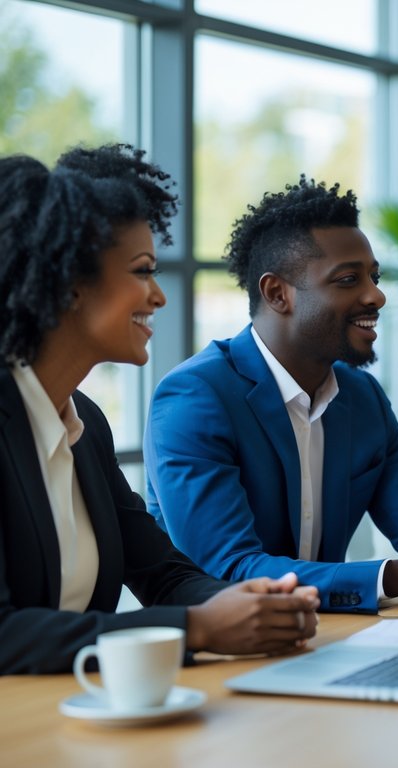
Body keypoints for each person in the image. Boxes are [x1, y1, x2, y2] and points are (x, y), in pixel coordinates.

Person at [0, 144, 318, 674]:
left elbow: (163, 574)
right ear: (70, 285)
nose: (159, 297)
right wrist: (196, 629)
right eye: (143, 271)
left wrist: (251, 604)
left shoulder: (84, 425)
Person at [145, 177, 398, 614]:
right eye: (348, 280)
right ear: (277, 293)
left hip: (329, 636)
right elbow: (226, 567)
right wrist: (396, 576)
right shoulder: (196, 397)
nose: (376, 295)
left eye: (374, 277)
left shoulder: (362, 397)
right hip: (224, 651)